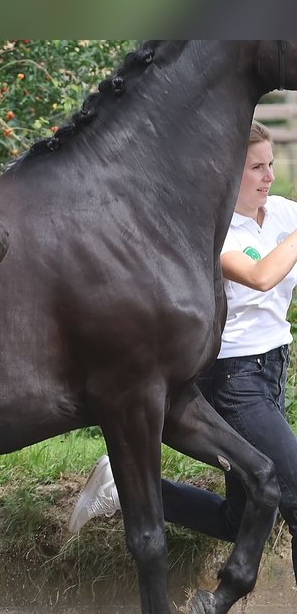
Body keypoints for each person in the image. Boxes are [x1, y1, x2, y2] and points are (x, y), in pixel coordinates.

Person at [70, 122, 297, 581]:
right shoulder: (213, 233)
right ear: (227, 175)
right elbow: (259, 276)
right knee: (293, 491)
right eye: (256, 168)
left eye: (270, 164)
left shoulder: (282, 215)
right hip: (233, 380)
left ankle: (124, 484)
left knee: (240, 519)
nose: (268, 176)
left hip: (272, 372)